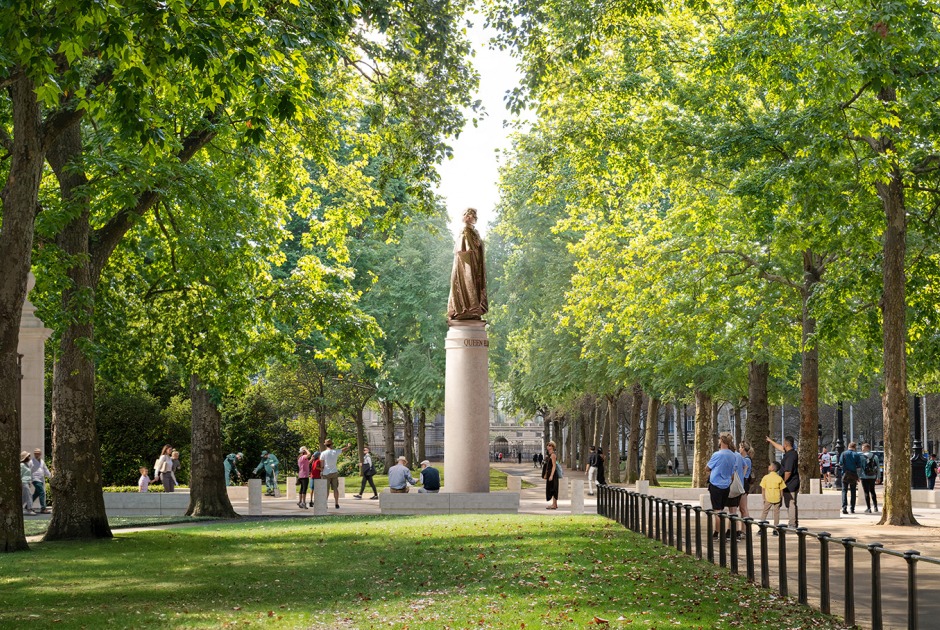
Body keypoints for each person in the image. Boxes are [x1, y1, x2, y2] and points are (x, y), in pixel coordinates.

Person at [447, 207, 488, 320]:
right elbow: (462, 250)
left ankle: (472, 308)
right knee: (464, 282)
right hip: (464, 264)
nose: (468, 217)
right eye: (466, 214)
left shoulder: (475, 233)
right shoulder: (464, 231)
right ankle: (463, 308)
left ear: (475, 219)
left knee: (473, 283)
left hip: (475, 263)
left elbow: (478, 248)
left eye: (472, 215)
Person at [705, 433, 737, 537]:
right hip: (726, 485)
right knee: (722, 509)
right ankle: (719, 531)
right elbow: (733, 473)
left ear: (722, 441)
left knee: (717, 510)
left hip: (716, 484)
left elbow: (707, 468)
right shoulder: (733, 455)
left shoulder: (717, 455)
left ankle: (717, 532)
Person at [767, 435, 800, 528]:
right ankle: (793, 522)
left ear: (786, 444)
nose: (782, 445)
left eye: (783, 442)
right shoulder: (790, 452)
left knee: (791, 503)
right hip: (790, 483)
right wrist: (770, 441)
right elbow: (780, 448)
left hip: (790, 483)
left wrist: (781, 482)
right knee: (790, 503)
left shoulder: (790, 456)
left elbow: (788, 472)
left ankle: (792, 524)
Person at [319, 438, 350, 509]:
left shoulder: (323, 453)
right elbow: (343, 449)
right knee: (335, 488)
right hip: (334, 472)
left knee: (326, 489)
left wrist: (321, 471)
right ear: (331, 444)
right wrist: (348, 447)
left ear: (326, 445)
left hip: (326, 472)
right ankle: (336, 503)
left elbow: (322, 464)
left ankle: (325, 503)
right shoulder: (335, 452)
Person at [760, 462, 787, 532]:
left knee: (765, 512)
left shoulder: (766, 477)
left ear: (772, 468)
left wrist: (764, 498)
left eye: (770, 465)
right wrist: (781, 498)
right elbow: (781, 490)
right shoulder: (779, 478)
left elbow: (763, 489)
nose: (768, 466)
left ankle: (761, 527)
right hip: (777, 497)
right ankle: (775, 528)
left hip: (768, 498)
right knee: (776, 514)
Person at [839, 441, 861, 514]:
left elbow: (841, 464)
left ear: (848, 446)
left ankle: (844, 507)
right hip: (853, 474)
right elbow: (858, 467)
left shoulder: (843, 454)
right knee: (853, 492)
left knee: (844, 491)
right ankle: (852, 508)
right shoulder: (857, 455)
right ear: (855, 447)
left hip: (845, 474)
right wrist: (858, 476)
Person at [859, 443, 880, 513]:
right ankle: (875, 507)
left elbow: (859, 468)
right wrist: (878, 477)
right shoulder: (875, 456)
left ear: (866, 448)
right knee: (873, 491)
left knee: (866, 492)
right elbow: (878, 467)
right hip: (873, 476)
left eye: (862, 448)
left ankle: (868, 508)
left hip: (864, 476)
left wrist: (858, 476)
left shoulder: (861, 457)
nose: (862, 449)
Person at [30, 448, 51, 514]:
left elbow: (45, 470)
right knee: (42, 492)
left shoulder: (42, 461)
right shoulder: (31, 462)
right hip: (35, 479)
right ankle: (43, 508)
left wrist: (50, 476)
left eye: (38, 453)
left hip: (41, 479)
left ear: (40, 454)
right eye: (35, 453)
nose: (37, 455)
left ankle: (28, 505)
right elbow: (28, 471)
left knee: (36, 494)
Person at [737, 442, 753, 522]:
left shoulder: (746, 460)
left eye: (740, 447)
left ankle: (746, 528)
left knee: (743, 507)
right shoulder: (744, 459)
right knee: (741, 508)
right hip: (742, 483)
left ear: (743, 448)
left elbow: (743, 472)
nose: (739, 449)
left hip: (744, 483)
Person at [543, 441, 559, 510]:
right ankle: (554, 504)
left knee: (553, 489)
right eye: (547, 445)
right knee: (552, 488)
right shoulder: (550, 455)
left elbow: (554, 466)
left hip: (553, 474)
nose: (548, 446)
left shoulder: (553, 455)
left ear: (552, 447)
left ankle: (554, 505)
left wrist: (551, 475)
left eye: (549, 445)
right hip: (550, 474)